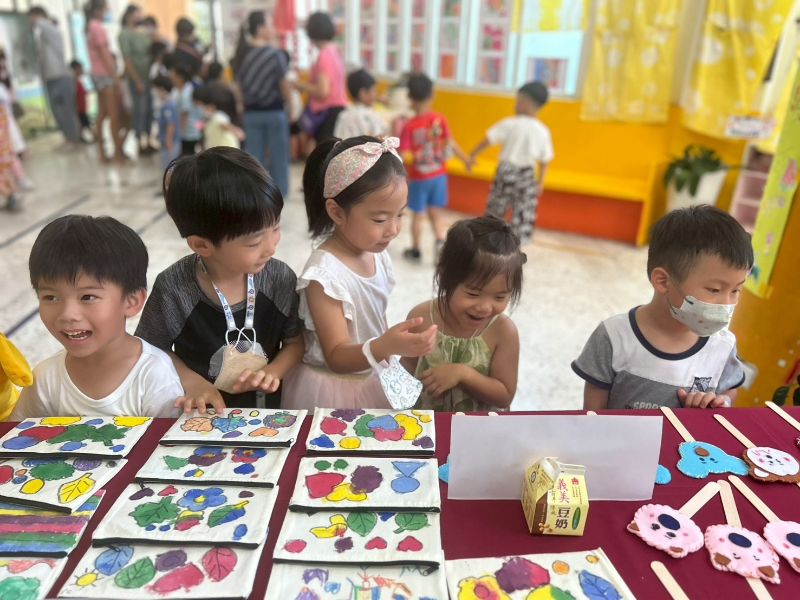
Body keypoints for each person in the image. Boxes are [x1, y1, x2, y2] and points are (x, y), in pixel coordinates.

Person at [135, 147, 304, 410]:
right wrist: (193, 382)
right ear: (201, 245)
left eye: (276, 228)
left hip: (269, 416)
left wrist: (274, 372)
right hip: (202, 417)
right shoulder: (174, 288)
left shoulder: (279, 278)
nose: (271, 247)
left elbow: (296, 342)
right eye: (254, 242)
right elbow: (151, 350)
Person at [281, 136, 437, 410]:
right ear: (337, 212)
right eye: (380, 219)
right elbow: (336, 357)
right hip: (332, 390)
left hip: (371, 373)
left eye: (400, 214)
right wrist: (385, 345)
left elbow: (375, 319)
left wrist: (392, 344)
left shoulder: (377, 254)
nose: (393, 229)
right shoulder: (324, 276)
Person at [572, 205, 753, 410]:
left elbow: (729, 391)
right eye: (714, 289)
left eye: (736, 290)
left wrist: (720, 402)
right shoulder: (614, 336)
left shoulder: (723, 346)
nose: (727, 303)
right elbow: (593, 414)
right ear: (663, 281)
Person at [10, 215, 184, 419]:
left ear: (131, 302)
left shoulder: (153, 373)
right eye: (51, 297)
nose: (68, 314)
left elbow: (171, 437)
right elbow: (16, 435)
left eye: (88, 297)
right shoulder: (45, 378)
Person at [403, 216, 523, 412]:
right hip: (427, 424)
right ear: (444, 278)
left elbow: (504, 396)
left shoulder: (503, 332)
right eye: (473, 294)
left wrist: (463, 374)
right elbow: (406, 369)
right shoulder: (421, 318)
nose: (485, 307)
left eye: (500, 297)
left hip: (478, 428)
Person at [399, 73, 471, 263]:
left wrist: (405, 169)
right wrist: (465, 160)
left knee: (417, 214)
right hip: (439, 176)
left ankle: (416, 250)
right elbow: (451, 143)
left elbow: (404, 154)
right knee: (436, 212)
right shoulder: (440, 119)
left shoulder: (409, 126)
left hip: (419, 178)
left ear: (410, 97)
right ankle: (440, 241)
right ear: (432, 95)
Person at [470, 81, 553, 245]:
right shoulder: (543, 130)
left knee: (496, 209)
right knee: (523, 214)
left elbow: (488, 140)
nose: (516, 104)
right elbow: (545, 159)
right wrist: (541, 181)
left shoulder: (510, 123)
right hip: (527, 176)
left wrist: (473, 155)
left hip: (506, 172)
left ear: (525, 102)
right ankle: (517, 246)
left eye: (518, 100)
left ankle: (490, 240)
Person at [232, 10, 291, 198]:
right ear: (259, 29)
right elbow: (284, 84)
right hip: (274, 112)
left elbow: (238, 88)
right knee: (279, 156)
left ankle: (255, 194)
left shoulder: (241, 55)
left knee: (254, 157)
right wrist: (291, 106)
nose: (273, 28)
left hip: (251, 114)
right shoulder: (274, 55)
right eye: (270, 24)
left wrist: (242, 107)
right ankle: (279, 195)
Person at [27, 6, 82, 144]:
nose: (31, 21)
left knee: (66, 111)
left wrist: (40, 20)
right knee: (58, 112)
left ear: (38, 16)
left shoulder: (51, 29)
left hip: (61, 77)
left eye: (32, 18)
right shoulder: (42, 35)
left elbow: (43, 24)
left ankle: (74, 138)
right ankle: (69, 138)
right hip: (51, 79)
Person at [295, 12, 347, 144]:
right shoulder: (334, 51)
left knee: (324, 153)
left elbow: (323, 91)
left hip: (326, 114)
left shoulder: (324, 56)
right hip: (338, 110)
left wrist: (300, 86)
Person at [85, 0, 126, 163]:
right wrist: (116, 78)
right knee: (113, 115)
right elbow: (104, 55)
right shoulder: (97, 27)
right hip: (105, 75)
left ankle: (102, 153)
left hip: (97, 74)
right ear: (98, 10)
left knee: (101, 115)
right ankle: (118, 154)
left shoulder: (90, 27)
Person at [119, 4, 155, 155]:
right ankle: (140, 142)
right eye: (137, 13)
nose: (140, 16)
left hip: (149, 77)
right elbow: (127, 60)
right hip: (137, 78)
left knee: (149, 110)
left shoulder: (142, 32)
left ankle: (148, 140)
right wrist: (137, 80)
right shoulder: (125, 34)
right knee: (140, 110)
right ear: (130, 14)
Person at [333, 68, 388, 139]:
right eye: (373, 90)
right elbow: (383, 138)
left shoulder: (344, 115)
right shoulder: (370, 116)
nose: (376, 94)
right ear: (363, 93)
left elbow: (338, 140)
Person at [193, 82, 243, 149]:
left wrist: (235, 131)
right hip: (217, 149)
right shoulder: (208, 119)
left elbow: (224, 125)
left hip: (226, 149)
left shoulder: (218, 116)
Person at [171, 63, 203, 156]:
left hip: (189, 133)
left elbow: (184, 114)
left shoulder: (186, 93)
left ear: (180, 77)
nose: (171, 78)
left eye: (173, 76)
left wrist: (181, 133)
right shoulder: (187, 89)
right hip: (193, 130)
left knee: (187, 156)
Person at [152, 74, 179, 170]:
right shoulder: (166, 104)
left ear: (161, 89)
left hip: (170, 143)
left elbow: (171, 124)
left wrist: (168, 141)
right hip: (167, 142)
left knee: (169, 168)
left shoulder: (168, 106)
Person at [69, 60, 92, 141]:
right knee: (85, 124)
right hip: (79, 109)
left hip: (82, 108)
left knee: (84, 125)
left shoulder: (78, 81)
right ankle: (96, 137)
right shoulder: (73, 82)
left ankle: (92, 137)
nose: (82, 70)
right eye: (81, 68)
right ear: (76, 69)